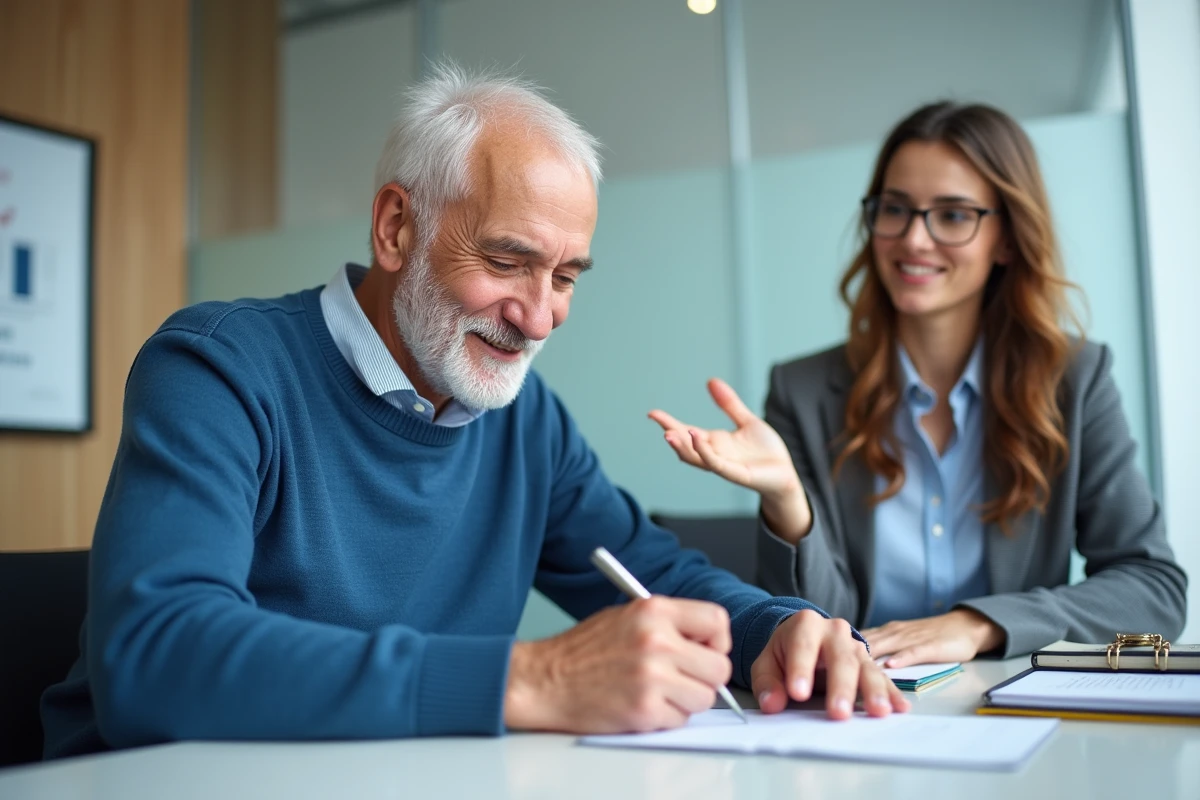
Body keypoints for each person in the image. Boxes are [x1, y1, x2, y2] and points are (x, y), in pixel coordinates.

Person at [40, 66, 908, 759]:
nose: (538, 318)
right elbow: (156, 656)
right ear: (395, 228)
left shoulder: (527, 423)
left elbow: (652, 570)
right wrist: (529, 680)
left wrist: (778, 630)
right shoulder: (219, 368)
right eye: (505, 261)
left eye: (565, 277)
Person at [650, 102, 1187, 668]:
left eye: (952, 215)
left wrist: (980, 624)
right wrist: (787, 499)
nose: (913, 239)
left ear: (1007, 239)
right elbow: (810, 624)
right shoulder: (801, 392)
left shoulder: (1074, 380)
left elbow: (1153, 589)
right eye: (895, 209)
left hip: (1009, 703)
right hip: (864, 702)